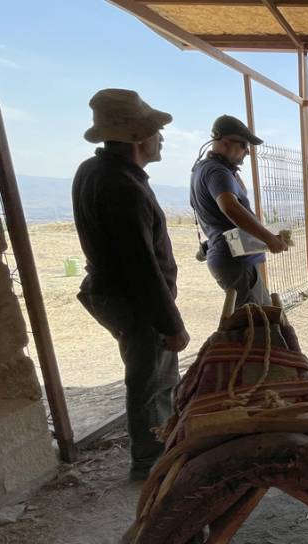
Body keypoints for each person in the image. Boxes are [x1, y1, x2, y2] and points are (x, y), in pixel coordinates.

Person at [72, 89, 189, 481]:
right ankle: (151, 462)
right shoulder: (124, 188)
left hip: (115, 293)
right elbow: (141, 268)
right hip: (135, 301)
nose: (161, 138)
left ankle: (159, 448)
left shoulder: (94, 172)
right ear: (139, 137)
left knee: (152, 376)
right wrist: (171, 324)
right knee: (151, 380)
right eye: (156, 130)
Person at [190, 115, 288, 309]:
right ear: (225, 142)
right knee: (255, 328)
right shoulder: (218, 172)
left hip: (234, 259)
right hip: (236, 262)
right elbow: (230, 208)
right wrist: (269, 239)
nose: (247, 152)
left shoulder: (205, 169)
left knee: (264, 320)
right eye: (243, 145)